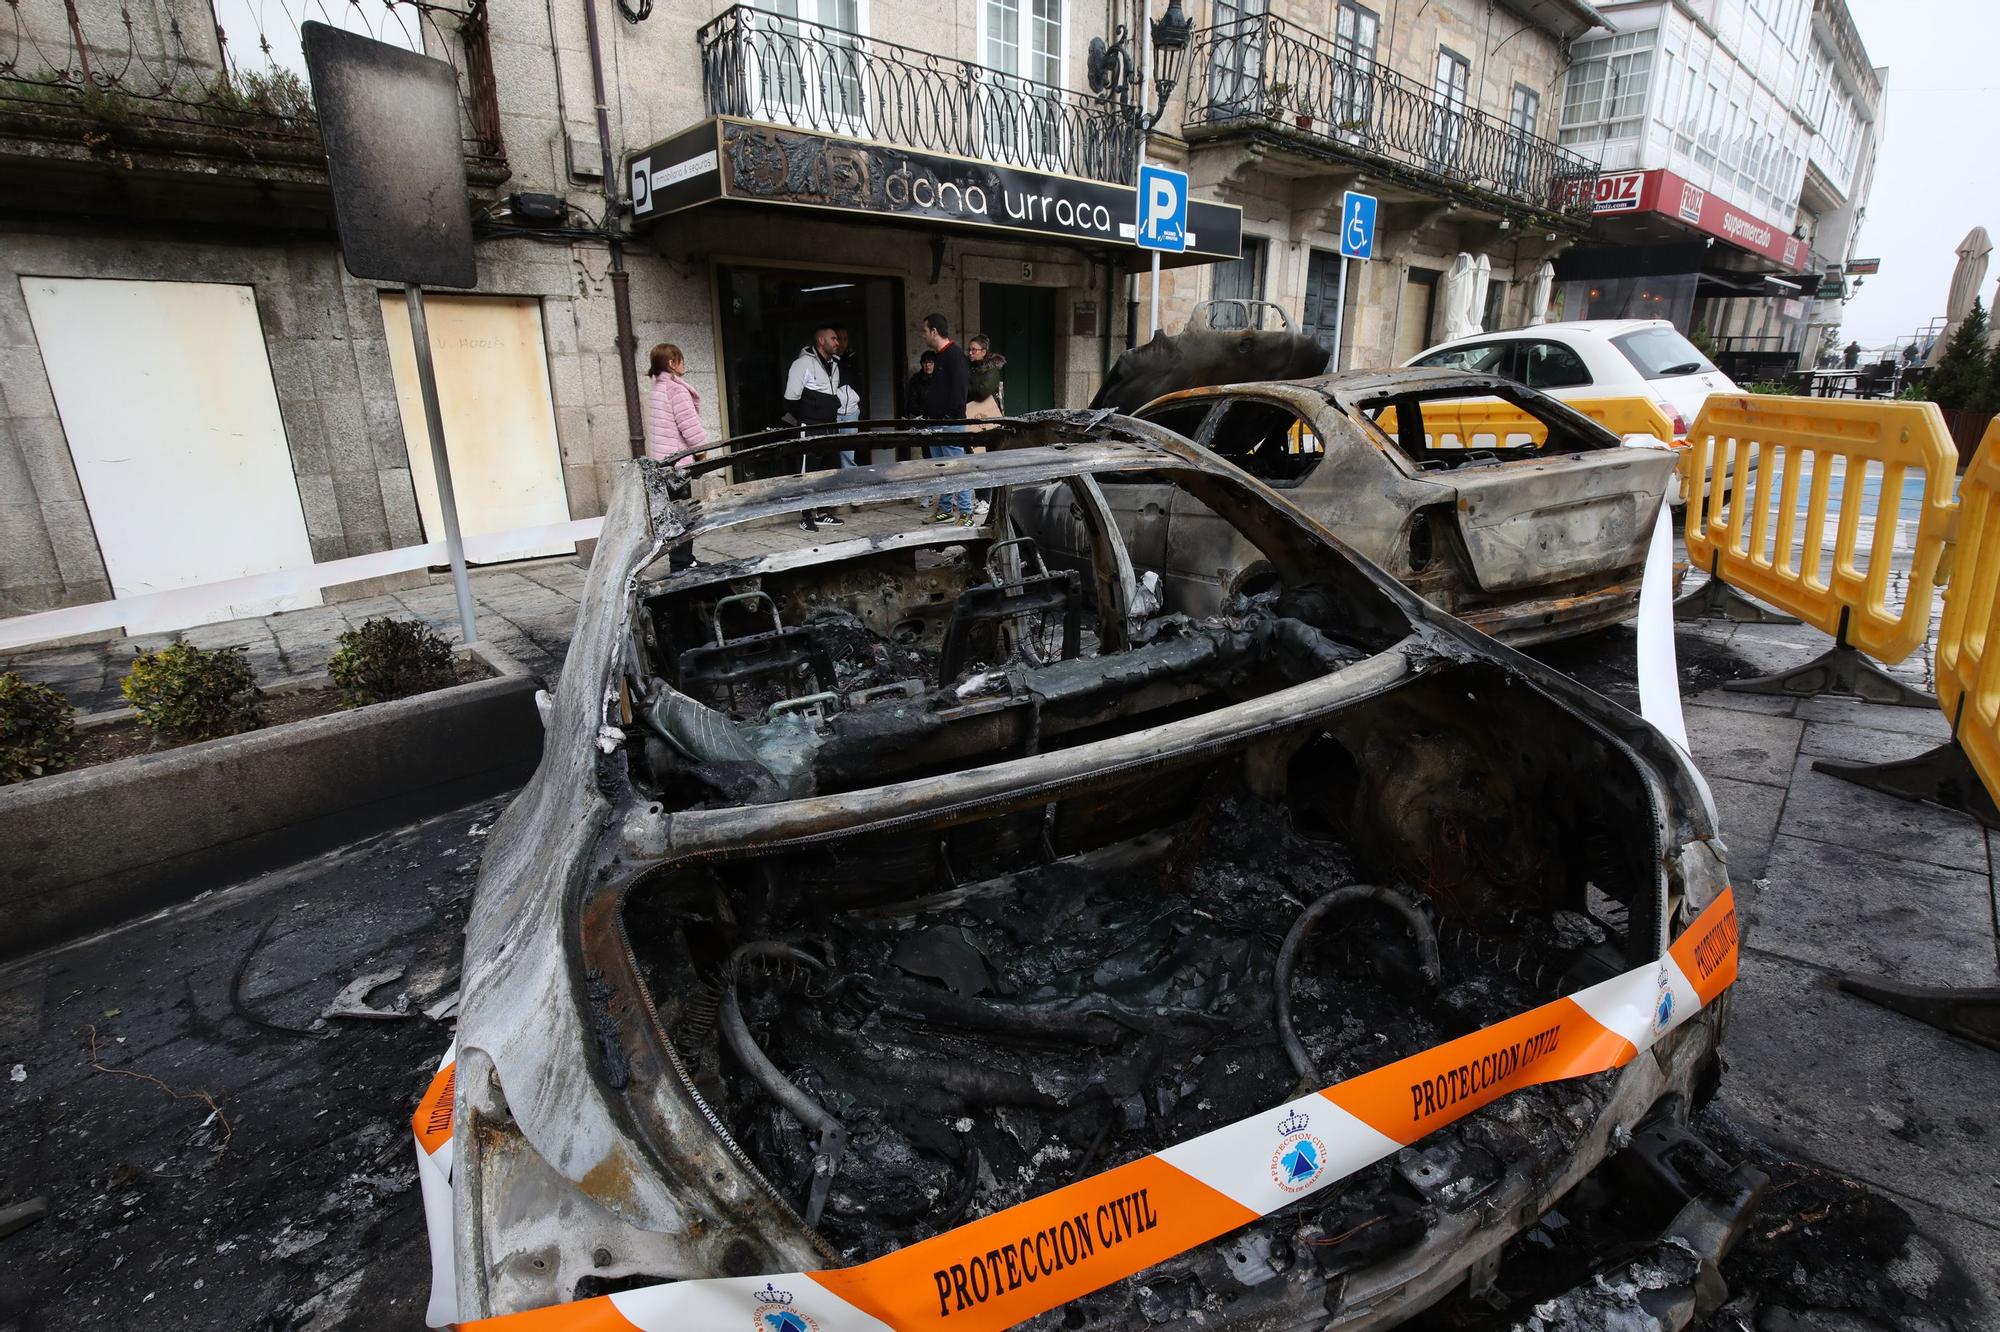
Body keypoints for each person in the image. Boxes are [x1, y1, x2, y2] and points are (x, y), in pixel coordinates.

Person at [643, 343, 705, 569]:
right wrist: (701, 451)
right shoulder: (675, 390)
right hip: (678, 463)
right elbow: (690, 428)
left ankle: (683, 559)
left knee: (674, 513)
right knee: (682, 514)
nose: (684, 363)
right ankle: (682, 563)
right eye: (681, 359)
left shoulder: (657, 389)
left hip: (664, 462)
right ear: (671, 363)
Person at [782, 324, 845, 531]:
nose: (838, 342)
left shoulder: (834, 364)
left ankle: (823, 512)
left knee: (828, 470)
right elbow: (791, 398)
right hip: (810, 426)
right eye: (834, 338)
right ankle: (805, 515)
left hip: (830, 425)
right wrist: (808, 416)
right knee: (807, 471)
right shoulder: (802, 363)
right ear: (821, 341)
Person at [921, 312, 974, 525]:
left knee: (956, 467)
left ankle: (966, 513)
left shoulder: (955, 355)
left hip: (949, 423)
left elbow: (960, 392)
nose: (923, 336)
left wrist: (948, 416)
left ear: (934, 331)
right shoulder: (940, 355)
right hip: (936, 423)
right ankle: (944, 510)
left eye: (925, 331)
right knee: (941, 470)